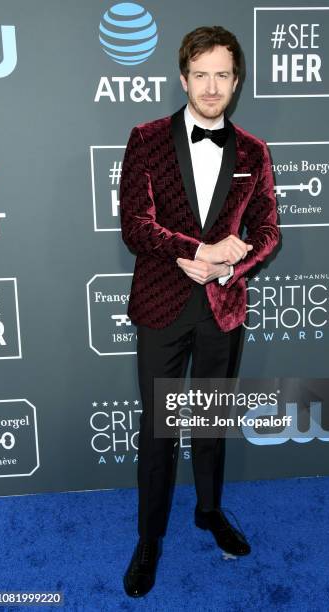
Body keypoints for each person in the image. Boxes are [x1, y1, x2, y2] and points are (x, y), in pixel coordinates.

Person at [119, 25, 280, 598]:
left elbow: (267, 231)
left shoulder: (255, 152)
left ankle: (209, 511)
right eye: (201, 74)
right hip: (162, 303)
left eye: (223, 75)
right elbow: (135, 225)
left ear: (236, 83)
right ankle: (148, 541)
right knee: (159, 432)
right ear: (183, 77)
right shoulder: (145, 138)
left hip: (222, 308)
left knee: (209, 424)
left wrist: (229, 267)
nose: (212, 87)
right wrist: (197, 252)